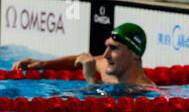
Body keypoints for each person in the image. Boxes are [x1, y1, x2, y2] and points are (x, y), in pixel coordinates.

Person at [12, 23, 154, 86]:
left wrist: (91, 79)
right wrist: (42, 64)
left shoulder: (144, 92)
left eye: (114, 48)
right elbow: (83, 60)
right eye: (106, 47)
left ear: (134, 54)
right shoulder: (107, 66)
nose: (106, 55)